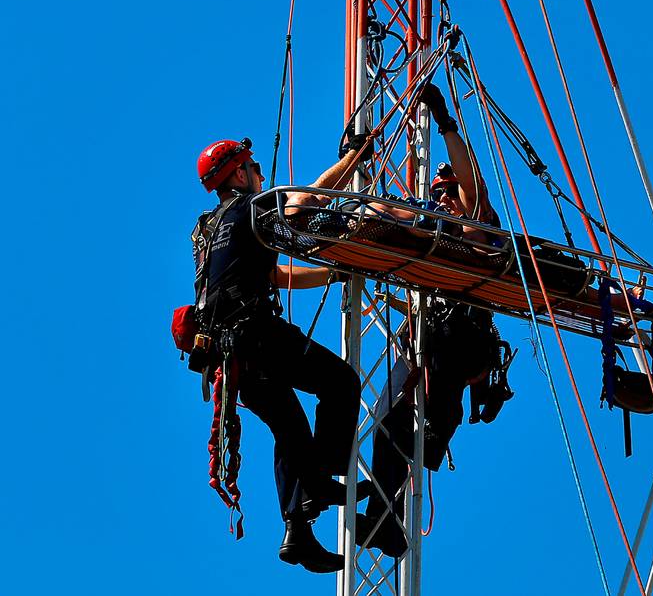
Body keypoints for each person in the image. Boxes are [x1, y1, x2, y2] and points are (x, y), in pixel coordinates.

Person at [192, 136, 369, 573]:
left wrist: (331, 273)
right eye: (254, 168)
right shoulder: (254, 207)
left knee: (290, 427)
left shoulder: (207, 228)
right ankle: (320, 480)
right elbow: (307, 200)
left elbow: (274, 274)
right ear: (238, 174)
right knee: (340, 382)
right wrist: (352, 157)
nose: (261, 175)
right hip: (255, 334)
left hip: (225, 355)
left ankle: (298, 531)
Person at [353, 83, 512, 557]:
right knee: (386, 426)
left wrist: (443, 122)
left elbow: (471, 183)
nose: (443, 199)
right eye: (438, 193)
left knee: (426, 416)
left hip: (461, 339)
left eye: (448, 192)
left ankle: (436, 435)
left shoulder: (477, 224)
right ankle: (387, 520)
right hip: (430, 338)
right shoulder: (434, 238)